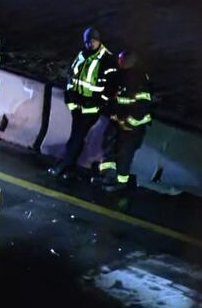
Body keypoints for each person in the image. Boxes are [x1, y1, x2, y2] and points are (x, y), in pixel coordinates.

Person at [48, 28, 116, 178]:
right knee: (76, 137)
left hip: (91, 109)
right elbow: (71, 75)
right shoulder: (82, 54)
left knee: (76, 137)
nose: (90, 45)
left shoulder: (107, 60)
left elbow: (110, 89)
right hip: (78, 106)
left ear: (99, 41)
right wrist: (69, 96)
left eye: (92, 42)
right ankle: (69, 167)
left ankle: (64, 165)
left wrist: (97, 103)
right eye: (87, 42)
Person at [93, 50, 152, 192]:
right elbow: (116, 99)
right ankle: (107, 175)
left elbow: (142, 106)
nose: (118, 61)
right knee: (109, 147)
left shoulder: (139, 79)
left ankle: (120, 183)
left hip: (133, 127)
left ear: (127, 61)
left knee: (124, 154)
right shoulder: (121, 76)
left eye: (120, 59)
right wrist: (114, 115)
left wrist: (128, 123)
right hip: (119, 123)